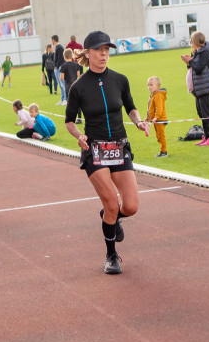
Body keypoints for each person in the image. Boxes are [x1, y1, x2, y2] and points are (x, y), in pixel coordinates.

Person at [64, 30, 150, 275]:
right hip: (95, 151)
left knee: (130, 206)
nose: (104, 54)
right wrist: (79, 136)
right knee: (112, 202)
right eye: (99, 50)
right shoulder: (78, 87)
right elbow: (69, 121)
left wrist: (138, 122)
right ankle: (111, 255)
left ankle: (110, 216)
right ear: (88, 53)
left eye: (107, 50)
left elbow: (131, 108)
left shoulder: (120, 80)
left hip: (119, 147)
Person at [181, 32, 209, 146]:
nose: (190, 41)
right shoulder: (197, 52)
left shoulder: (206, 53)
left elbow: (198, 68)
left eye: (191, 39)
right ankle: (206, 136)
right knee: (201, 112)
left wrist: (189, 61)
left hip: (206, 86)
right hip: (199, 87)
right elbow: (194, 67)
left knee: (208, 113)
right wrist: (189, 62)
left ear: (195, 41)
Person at [145, 76, 168, 158]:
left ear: (157, 86)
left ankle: (164, 152)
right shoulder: (153, 95)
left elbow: (159, 107)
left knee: (161, 136)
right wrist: (148, 117)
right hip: (155, 120)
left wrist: (156, 117)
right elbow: (150, 108)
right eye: (148, 85)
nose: (149, 87)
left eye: (151, 85)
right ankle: (163, 150)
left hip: (160, 119)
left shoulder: (158, 95)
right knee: (158, 136)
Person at [52, 35, 67, 104]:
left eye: (52, 40)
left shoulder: (60, 47)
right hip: (56, 68)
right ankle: (62, 98)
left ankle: (65, 99)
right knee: (60, 85)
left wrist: (57, 67)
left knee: (62, 83)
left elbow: (61, 58)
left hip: (59, 68)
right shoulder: (57, 47)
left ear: (54, 40)